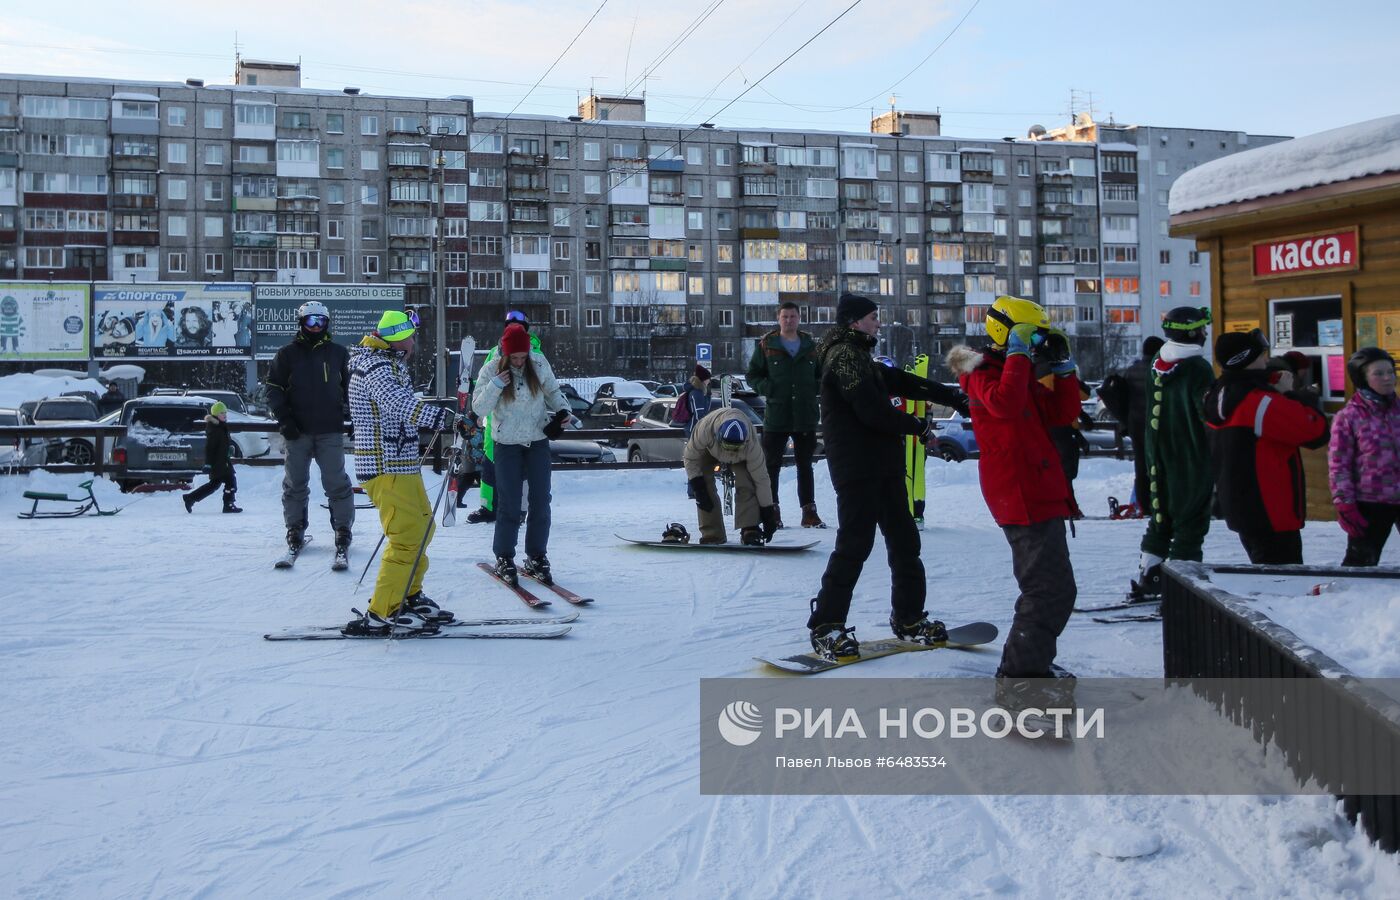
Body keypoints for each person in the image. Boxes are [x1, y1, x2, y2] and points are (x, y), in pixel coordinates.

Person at [805, 293, 969, 660]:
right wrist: (918, 426)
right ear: (854, 321)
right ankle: (826, 625)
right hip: (856, 467)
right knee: (855, 545)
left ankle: (909, 618)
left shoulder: (860, 356)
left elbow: (903, 381)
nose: (878, 323)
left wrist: (955, 397)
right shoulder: (843, 356)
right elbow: (871, 411)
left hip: (884, 465)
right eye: (872, 317)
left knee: (905, 542)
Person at [948, 295, 1082, 694]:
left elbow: (1060, 413)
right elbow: (1004, 406)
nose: (1034, 344)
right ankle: (1020, 677)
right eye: (1028, 335)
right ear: (1005, 332)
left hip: (1038, 489)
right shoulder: (981, 372)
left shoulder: (1015, 370)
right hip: (1019, 493)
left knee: (1055, 587)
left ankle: (1030, 666)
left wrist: (1064, 367)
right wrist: (1021, 355)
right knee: (1046, 589)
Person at [344, 310, 456, 635]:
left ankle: (408, 593)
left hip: (401, 463)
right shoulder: (376, 367)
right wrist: (446, 420)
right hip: (384, 464)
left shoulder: (389, 364)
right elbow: (400, 406)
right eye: (410, 335)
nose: (413, 341)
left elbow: (402, 404)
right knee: (406, 536)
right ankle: (383, 611)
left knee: (422, 529)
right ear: (397, 339)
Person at [1204, 329, 1329, 565]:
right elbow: (1316, 432)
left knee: (1264, 572)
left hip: (1242, 505)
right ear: (1247, 359)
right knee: (1282, 583)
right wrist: (1292, 395)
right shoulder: (1259, 402)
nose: (1266, 360)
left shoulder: (1218, 393)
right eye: (1261, 355)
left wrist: (1272, 387)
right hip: (1271, 509)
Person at [472, 322, 570, 586]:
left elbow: (553, 392)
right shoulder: (492, 368)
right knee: (510, 503)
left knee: (541, 501)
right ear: (505, 354)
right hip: (506, 443)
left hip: (536, 440)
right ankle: (504, 555)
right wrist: (494, 385)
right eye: (514, 357)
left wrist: (562, 412)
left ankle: (537, 555)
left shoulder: (538, 364)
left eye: (522, 356)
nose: (518, 362)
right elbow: (478, 408)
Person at [1132, 306, 1215, 600]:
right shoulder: (1197, 367)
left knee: (1161, 517)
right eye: (1202, 329)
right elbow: (1207, 414)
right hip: (1188, 454)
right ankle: (1183, 589)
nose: (1205, 334)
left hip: (1157, 451)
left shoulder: (1159, 359)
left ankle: (1149, 574)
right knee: (1190, 521)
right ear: (1191, 332)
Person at [265, 300, 356, 560]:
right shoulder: (287, 354)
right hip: (298, 431)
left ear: (327, 324)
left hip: (329, 429)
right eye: (310, 321)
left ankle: (342, 528)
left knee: (336, 482)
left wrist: (358, 420)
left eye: (320, 321)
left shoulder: (338, 353)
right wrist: (285, 420)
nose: (315, 326)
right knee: (295, 484)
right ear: (301, 323)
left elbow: (353, 390)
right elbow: (273, 389)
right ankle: (295, 529)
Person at [747, 301, 824, 528]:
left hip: (805, 416)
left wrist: (813, 389)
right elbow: (753, 375)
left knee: (805, 466)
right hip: (777, 415)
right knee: (771, 466)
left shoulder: (811, 346)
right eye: (785, 317)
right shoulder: (767, 345)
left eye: (793, 316)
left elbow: (822, 375)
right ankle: (772, 512)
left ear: (799, 318)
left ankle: (809, 512)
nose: (789, 320)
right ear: (778, 319)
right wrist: (768, 388)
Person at [465, 310, 540, 522]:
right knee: (490, 465)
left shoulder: (534, 353)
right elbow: (484, 381)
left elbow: (544, 385)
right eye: (509, 325)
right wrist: (475, 398)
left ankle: (520, 509)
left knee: (521, 469)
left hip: (522, 421)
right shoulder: (494, 352)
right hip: (495, 421)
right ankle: (489, 507)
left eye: (518, 326)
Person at [1330, 347, 1400, 567]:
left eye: (1391, 371)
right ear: (1362, 377)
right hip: (1371, 501)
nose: (1388, 378)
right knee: (1360, 563)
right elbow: (1339, 466)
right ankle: (1345, 601)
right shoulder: (1348, 417)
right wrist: (1345, 503)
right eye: (1378, 373)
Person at [682, 407, 779, 546]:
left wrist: (768, 512)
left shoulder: (751, 445)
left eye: (735, 447)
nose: (730, 451)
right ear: (719, 436)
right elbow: (690, 458)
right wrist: (698, 486)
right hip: (710, 449)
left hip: (742, 457)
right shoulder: (705, 430)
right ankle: (712, 533)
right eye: (728, 445)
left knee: (748, 479)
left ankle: (750, 528)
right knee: (703, 482)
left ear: (744, 441)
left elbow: (761, 479)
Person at [1097, 336, 1164, 513]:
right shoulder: (1162, 371)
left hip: (1136, 425)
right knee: (1162, 464)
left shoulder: (1132, 370)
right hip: (1158, 425)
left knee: (1141, 466)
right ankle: (1162, 503)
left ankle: (1144, 505)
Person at [182, 401, 241, 514]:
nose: (224, 415)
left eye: (225, 413)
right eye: (222, 413)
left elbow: (223, 444)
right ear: (216, 414)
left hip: (223, 461)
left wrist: (229, 450)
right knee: (230, 481)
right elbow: (210, 448)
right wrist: (208, 464)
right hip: (218, 463)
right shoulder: (215, 429)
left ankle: (191, 498)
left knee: (214, 485)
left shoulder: (221, 426)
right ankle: (228, 504)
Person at [671, 363, 713, 437]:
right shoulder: (697, 393)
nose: (709, 381)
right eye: (708, 379)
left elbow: (703, 411)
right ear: (703, 380)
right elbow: (699, 414)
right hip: (694, 430)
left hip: (695, 429)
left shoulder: (698, 392)